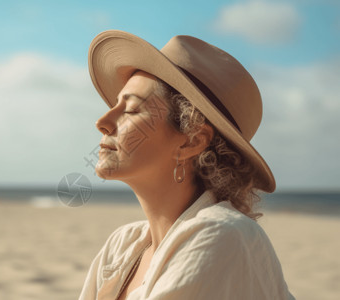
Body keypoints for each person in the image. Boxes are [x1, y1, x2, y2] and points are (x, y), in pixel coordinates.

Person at [79, 30, 295, 300]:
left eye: (132, 110)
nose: (103, 121)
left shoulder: (222, 235)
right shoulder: (123, 245)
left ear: (191, 141)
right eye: (114, 105)